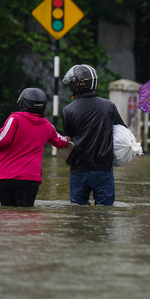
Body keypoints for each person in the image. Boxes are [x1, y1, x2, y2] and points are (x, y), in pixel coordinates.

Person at [0, 88, 70, 207]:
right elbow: (62, 141)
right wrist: (69, 139)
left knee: (6, 218)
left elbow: (1, 140)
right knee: (26, 219)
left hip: (5, 178)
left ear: (22, 104)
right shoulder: (48, 126)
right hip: (30, 180)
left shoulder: (15, 119)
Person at [62, 64, 126, 206]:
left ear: (76, 84)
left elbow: (68, 140)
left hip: (78, 170)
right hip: (103, 170)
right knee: (105, 214)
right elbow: (122, 132)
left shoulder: (68, 110)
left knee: (78, 214)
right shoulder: (109, 106)